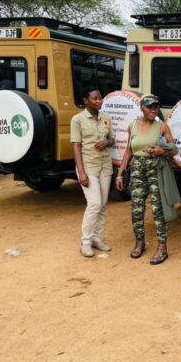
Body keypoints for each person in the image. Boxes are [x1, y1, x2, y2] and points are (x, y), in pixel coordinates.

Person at [115, 94, 180, 265]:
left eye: (155, 107)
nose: (153, 110)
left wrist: (162, 151)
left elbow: (174, 150)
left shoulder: (161, 126)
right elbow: (129, 151)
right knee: (136, 208)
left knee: (158, 209)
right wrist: (120, 173)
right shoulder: (133, 126)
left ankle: (162, 247)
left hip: (155, 168)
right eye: (149, 107)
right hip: (137, 169)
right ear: (142, 108)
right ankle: (139, 242)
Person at [71, 87, 116, 258]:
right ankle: (85, 242)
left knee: (103, 205)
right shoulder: (78, 119)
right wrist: (81, 173)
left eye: (100, 98)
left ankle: (97, 238)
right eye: (95, 98)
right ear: (86, 101)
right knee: (95, 203)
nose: (99, 101)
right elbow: (76, 146)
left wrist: (107, 142)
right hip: (88, 166)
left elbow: (112, 138)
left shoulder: (106, 118)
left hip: (105, 165)